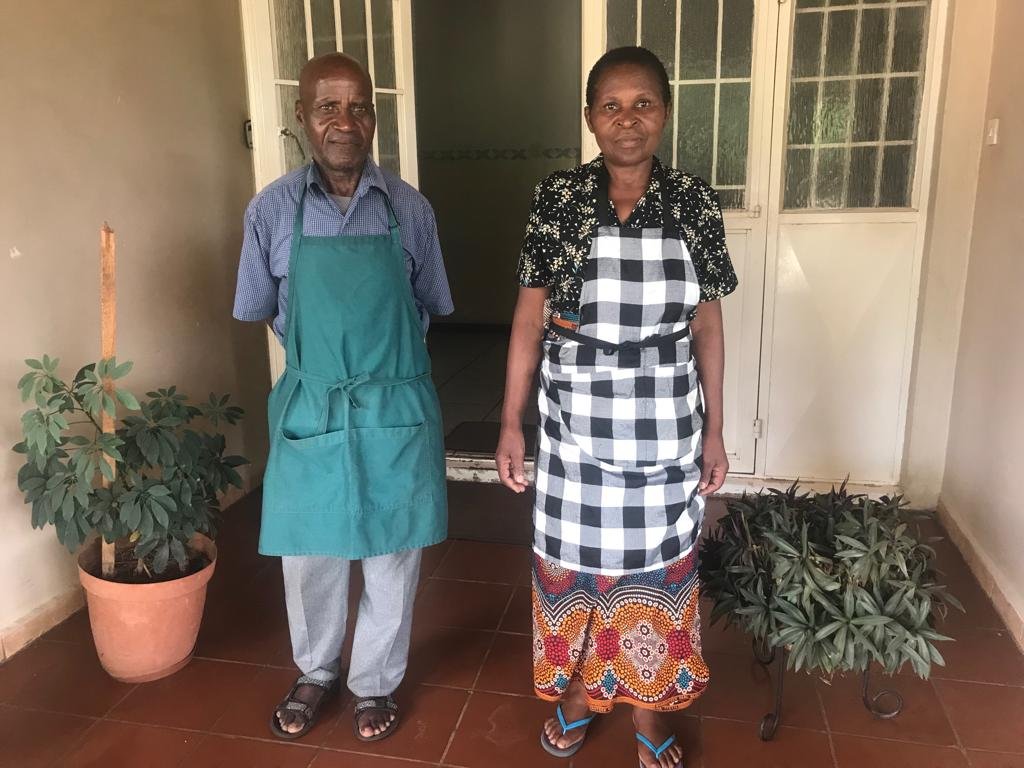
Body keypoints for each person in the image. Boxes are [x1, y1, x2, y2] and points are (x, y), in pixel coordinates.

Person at [495, 46, 737, 768]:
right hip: (574, 430)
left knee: (658, 571)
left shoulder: (693, 202)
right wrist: (511, 421)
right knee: (575, 569)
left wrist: (716, 430)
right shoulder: (558, 198)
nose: (627, 120)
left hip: (666, 424)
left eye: (643, 104)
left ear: (664, 112)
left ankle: (649, 711)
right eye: (611, 105)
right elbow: (529, 317)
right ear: (591, 118)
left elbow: (708, 325)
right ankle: (578, 696)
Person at [232, 52, 453, 742]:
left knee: (392, 555)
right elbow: (262, 310)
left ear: (375, 119)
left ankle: (376, 683)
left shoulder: (409, 209)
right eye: (327, 106)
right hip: (313, 403)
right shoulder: (269, 212)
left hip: (394, 405)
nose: (343, 121)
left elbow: (429, 303)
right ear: (301, 117)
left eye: (358, 106)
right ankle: (315, 671)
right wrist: (322, 364)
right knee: (311, 554)